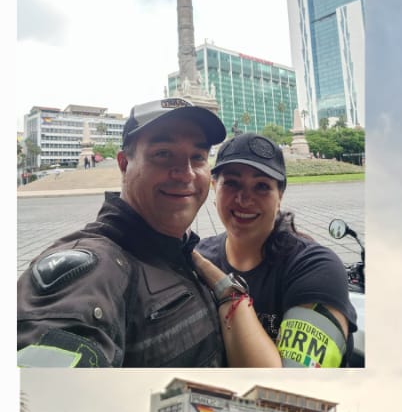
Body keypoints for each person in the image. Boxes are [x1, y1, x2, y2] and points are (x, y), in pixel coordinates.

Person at [17, 98, 228, 367]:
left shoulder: (180, 251)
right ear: (124, 164)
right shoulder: (91, 271)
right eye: (163, 154)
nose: (185, 173)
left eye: (198, 157)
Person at [192, 133, 357, 368]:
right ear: (214, 187)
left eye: (261, 186)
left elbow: (293, 381)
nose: (244, 199)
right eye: (232, 183)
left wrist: (226, 290)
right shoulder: (200, 255)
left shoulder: (316, 268)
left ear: (280, 195)